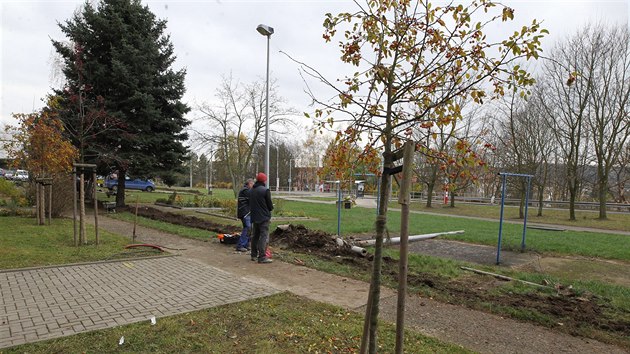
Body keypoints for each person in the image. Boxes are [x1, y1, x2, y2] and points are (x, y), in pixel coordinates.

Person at [249, 172, 274, 263]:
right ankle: (262, 256)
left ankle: (253, 255)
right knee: (264, 236)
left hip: (254, 216)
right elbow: (270, 206)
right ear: (264, 180)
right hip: (264, 217)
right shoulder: (265, 190)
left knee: (255, 236)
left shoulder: (252, 190)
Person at [236, 178, 254, 252]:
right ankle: (240, 245)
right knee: (247, 227)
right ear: (249, 184)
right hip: (245, 213)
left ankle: (246, 244)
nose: (253, 185)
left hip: (246, 212)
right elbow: (253, 198)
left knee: (249, 228)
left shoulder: (245, 190)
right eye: (252, 184)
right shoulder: (245, 191)